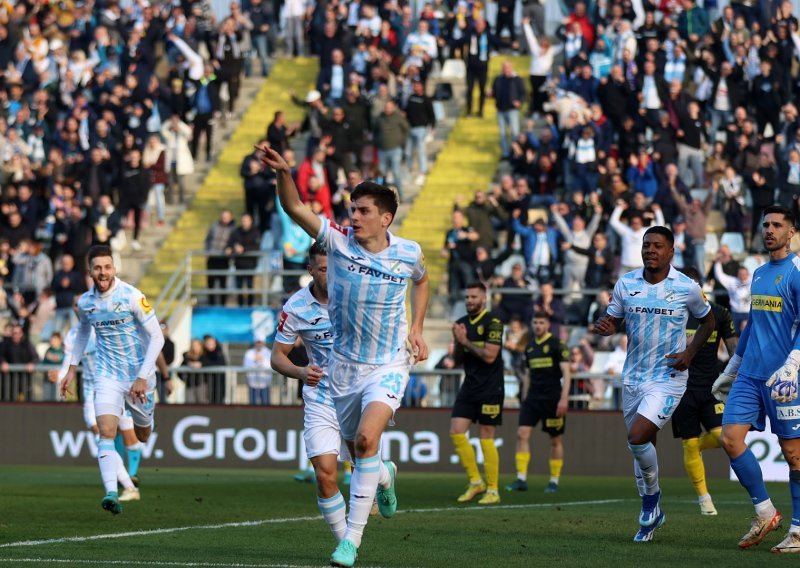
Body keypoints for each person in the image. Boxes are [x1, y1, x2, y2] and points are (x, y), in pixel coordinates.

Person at [261, 145, 429, 568]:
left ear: (386, 218)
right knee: (360, 451)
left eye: (364, 210)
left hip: (389, 363)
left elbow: (422, 282)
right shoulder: (336, 243)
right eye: (352, 208)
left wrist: (418, 327)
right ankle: (386, 476)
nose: (354, 216)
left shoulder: (408, 252)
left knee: (366, 441)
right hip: (344, 370)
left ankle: (350, 541)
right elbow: (294, 206)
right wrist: (285, 173)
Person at [593, 226, 714, 542]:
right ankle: (652, 519)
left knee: (637, 437)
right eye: (647, 245)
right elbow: (614, 318)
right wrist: (608, 326)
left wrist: (690, 351)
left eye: (658, 246)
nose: (650, 250)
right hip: (633, 376)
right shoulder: (627, 283)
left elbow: (709, 320)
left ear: (671, 252)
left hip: (668, 377)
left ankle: (650, 502)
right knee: (642, 446)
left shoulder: (687, 287)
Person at [711, 205, 800, 553]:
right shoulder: (761, 273)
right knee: (730, 439)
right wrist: (731, 368)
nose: (769, 230)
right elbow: (753, 325)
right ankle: (765, 512)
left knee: (794, 456)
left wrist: (794, 362)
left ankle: (797, 530)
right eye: (766, 225)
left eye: (777, 225)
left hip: (785, 379)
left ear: (791, 232)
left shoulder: (795, 273)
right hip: (749, 375)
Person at [59, 245, 165, 515]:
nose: (102, 272)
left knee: (142, 434)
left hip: (139, 377)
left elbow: (157, 337)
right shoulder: (85, 302)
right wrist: (72, 368)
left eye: (107, 267)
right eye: (97, 268)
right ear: (90, 271)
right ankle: (111, 492)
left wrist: (142, 377)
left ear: (114, 268)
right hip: (107, 376)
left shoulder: (132, 296)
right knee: (106, 432)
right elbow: (82, 332)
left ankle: (146, 420)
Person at [271, 242, 349, 541]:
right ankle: (346, 542)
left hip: (357, 391)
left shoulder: (355, 296)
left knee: (365, 454)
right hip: (321, 394)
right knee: (324, 473)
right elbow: (277, 356)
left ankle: (383, 475)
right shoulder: (296, 307)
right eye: (324, 269)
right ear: (311, 270)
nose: (330, 275)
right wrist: (301, 372)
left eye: (335, 269)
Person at [672, 266, 738, 516]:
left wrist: (734, 378)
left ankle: (697, 446)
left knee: (724, 437)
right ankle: (704, 498)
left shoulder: (719, 313)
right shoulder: (673, 314)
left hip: (711, 386)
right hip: (681, 388)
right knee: (688, 445)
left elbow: (734, 350)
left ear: (700, 287)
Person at [52, 323, 140, 500]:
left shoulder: (104, 326)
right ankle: (127, 486)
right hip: (92, 388)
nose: (79, 307)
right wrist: (60, 377)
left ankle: (131, 476)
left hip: (114, 386)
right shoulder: (74, 333)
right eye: (76, 305)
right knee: (102, 436)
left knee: (131, 435)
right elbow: (68, 361)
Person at [449, 282, 505, 505]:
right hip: (469, 386)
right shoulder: (461, 324)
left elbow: (490, 356)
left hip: (491, 388)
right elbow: (457, 361)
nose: (469, 300)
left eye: (474, 296)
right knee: (456, 431)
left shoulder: (493, 322)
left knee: (485, 436)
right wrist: (457, 342)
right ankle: (475, 481)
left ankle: (493, 489)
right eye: (467, 297)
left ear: (484, 298)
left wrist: (465, 341)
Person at [506, 312, 571, 494]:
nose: (537, 326)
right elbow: (527, 374)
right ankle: (521, 479)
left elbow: (566, 373)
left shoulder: (557, 345)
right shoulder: (530, 346)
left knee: (555, 439)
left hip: (552, 398)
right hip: (532, 398)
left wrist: (564, 398)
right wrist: (525, 396)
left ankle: (554, 480)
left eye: (541, 322)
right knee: (522, 434)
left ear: (548, 324)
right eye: (535, 322)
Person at [244, 336, 272, 405]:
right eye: (257, 342)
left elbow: (270, 366)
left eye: (260, 342)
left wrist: (261, 361)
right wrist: (255, 361)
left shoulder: (268, 352)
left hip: (265, 383)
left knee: (266, 404)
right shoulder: (249, 353)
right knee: (252, 404)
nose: (259, 344)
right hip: (253, 383)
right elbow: (246, 366)